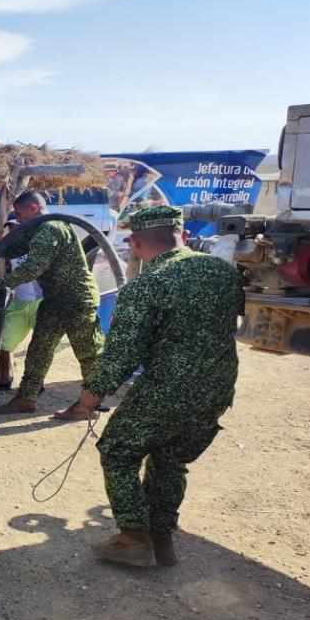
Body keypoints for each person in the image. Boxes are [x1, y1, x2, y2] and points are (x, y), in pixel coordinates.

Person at [70, 206, 242, 567]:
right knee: (171, 458)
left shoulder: (148, 285)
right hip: (218, 386)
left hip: (170, 386)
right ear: (181, 233)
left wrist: (92, 393)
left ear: (134, 242)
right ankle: (162, 540)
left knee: (118, 450)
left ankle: (134, 538)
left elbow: (123, 354)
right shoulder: (224, 272)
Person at [0, 191, 103, 418]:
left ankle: (88, 405)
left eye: (20, 214)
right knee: (39, 349)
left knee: (88, 353)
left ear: (33, 209)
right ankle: (26, 398)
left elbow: (33, 268)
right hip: (54, 300)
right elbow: (10, 250)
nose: (18, 219)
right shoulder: (38, 230)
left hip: (76, 299)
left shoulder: (50, 229)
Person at [0, 219, 43, 390]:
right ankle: (4, 376)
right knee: (4, 340)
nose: (16, 231)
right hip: (19, 303)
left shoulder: (40, 247)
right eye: (12, 228)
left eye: (19, 227)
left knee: (41, 343)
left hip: (40, 302)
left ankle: (36, 382)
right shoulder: (10, 251)